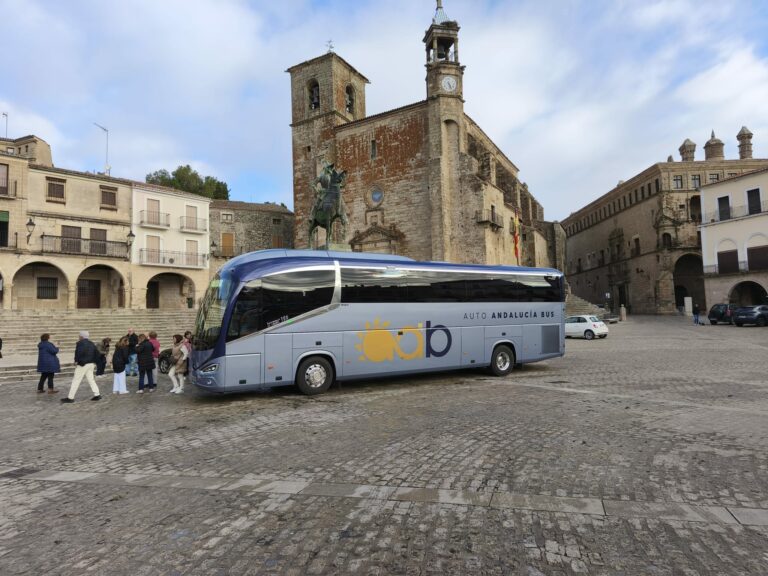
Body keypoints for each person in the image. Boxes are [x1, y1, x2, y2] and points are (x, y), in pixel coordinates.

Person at [61, 331, 101, 404]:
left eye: (79, 336)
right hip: (91, 364)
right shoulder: (91, 343)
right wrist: (94, 361)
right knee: (91, 380)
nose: (78, 337)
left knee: (76, 380)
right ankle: (97, 394)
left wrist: (76, 361)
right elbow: (97, 354)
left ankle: (70, 397)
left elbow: (78, 352)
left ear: (81, 336)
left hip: (83, 364)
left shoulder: (80, 343)